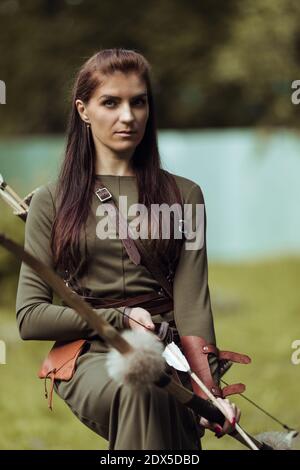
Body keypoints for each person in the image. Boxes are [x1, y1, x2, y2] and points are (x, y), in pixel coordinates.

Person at [16, 48, 241, 450]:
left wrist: (209, 392)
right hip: (88, 354)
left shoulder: (185, 195)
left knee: (157, 393)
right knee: (140, 388)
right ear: (83, 110)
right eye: (111, 102)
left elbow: (193, 303)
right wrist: (119, 318)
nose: (128, 116)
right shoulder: (51, 201)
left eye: (138, 101)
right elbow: (30, 317)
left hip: (169, 355)